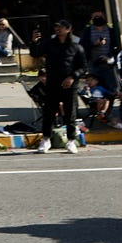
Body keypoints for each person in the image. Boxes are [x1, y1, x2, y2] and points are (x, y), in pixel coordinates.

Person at [34, 20, 85, 154]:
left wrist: (73, 77)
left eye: (61, 27)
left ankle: (71, 140)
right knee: (49, 112)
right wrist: (34, 42)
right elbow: (36, 53)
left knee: (70, 113)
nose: (58, 29)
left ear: (68, 29)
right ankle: (46, 139)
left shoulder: (76, 47)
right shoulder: (49, 44)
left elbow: (83, 67)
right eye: (56, 27)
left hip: (70, 85)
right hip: (52, 83)